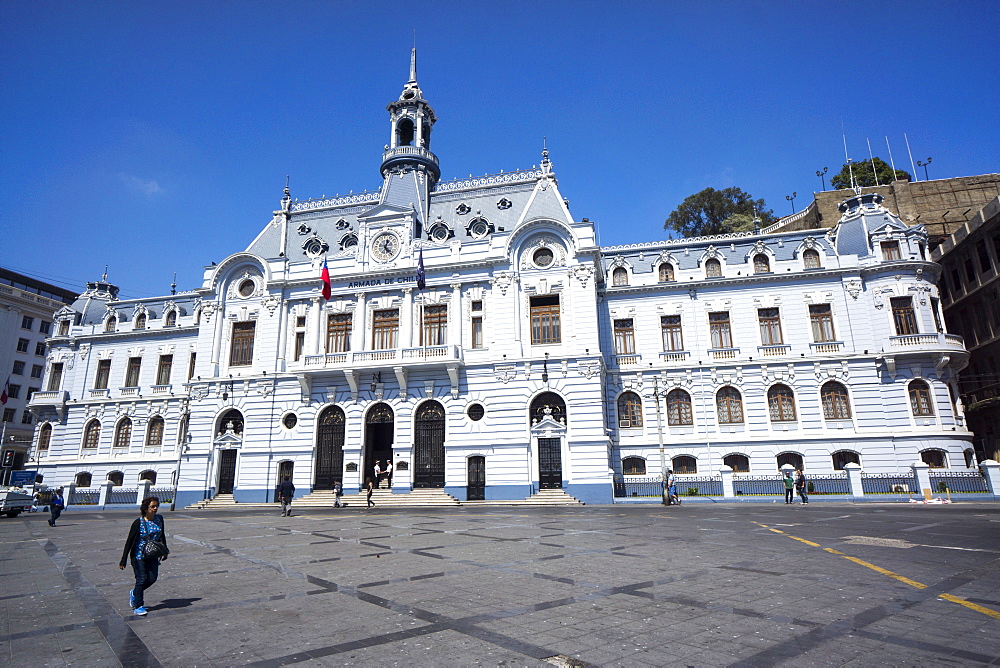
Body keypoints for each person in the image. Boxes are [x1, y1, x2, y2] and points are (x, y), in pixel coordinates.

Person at [119, 496, 168, 617]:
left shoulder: (159, 519)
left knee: (152, 578)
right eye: (152, 506)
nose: (155, 508)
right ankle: (138, 605)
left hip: (152, 554)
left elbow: (162, 535)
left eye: (157, 506)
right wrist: (123, 560)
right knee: (141, 579)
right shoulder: (138, 522)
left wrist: (165, 551)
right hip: (139, 555)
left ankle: (135, 593)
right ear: (145, 508)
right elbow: (129, 541)